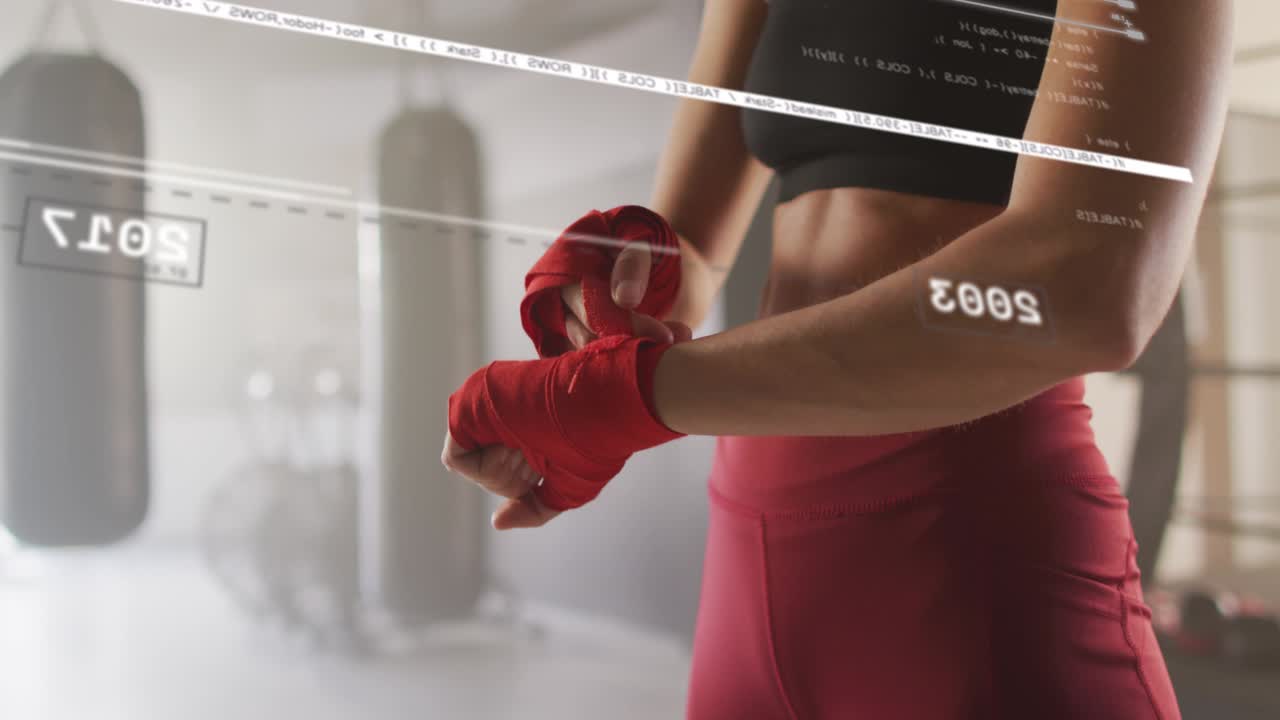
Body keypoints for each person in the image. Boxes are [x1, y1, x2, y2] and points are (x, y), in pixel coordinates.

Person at [442, 0, 1232, 717]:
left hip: (969, 555)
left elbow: (1091, 286)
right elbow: (685, 251)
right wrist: (612, 293)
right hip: (748, 559)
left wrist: (638, 397)